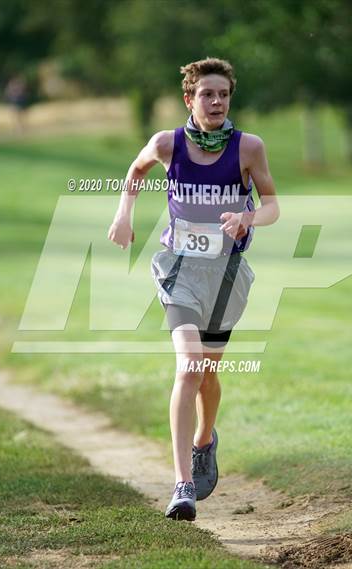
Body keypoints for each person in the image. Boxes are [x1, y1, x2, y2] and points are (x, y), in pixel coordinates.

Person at [108, 57, 279, 521]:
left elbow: (273, 206)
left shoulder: (249, 148)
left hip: (226, 276)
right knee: (188, 367)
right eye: (207, 94)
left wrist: (248, 216)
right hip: (179, 272)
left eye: (223, 94)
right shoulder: (168, 144)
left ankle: (206, 439)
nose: (217, 101)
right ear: (190, 99)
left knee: (207, 373)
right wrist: (124, 214)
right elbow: (136, 171)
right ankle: (182, 484)